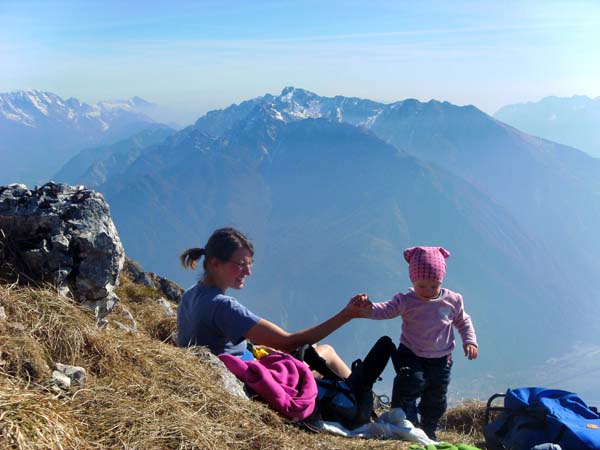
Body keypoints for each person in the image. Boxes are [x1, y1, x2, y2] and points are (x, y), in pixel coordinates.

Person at [177, 227, 372, 379]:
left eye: (249, 264)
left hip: (222, 373)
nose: (248, 272)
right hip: (249, 381)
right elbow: (288, 342)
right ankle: (360, 400)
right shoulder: (223, 305)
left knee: (310, 349)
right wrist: (346, 315)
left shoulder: (190, 295)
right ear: (214, 263)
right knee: (325, 352)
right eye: (240, 264)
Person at [361, 246, 478, 440]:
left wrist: (470, 341)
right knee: (411, 382)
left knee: (436, 396)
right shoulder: (406, 300)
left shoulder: (453, 300)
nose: (427, 291)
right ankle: (406, 421)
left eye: (434, 286)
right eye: (421, 285)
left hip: (441, 358)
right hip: (411, 352)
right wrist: (368, 308)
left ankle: (429, 429)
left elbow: (463, 321)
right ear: (412, 280)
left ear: (441, 281)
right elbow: (387, 309)